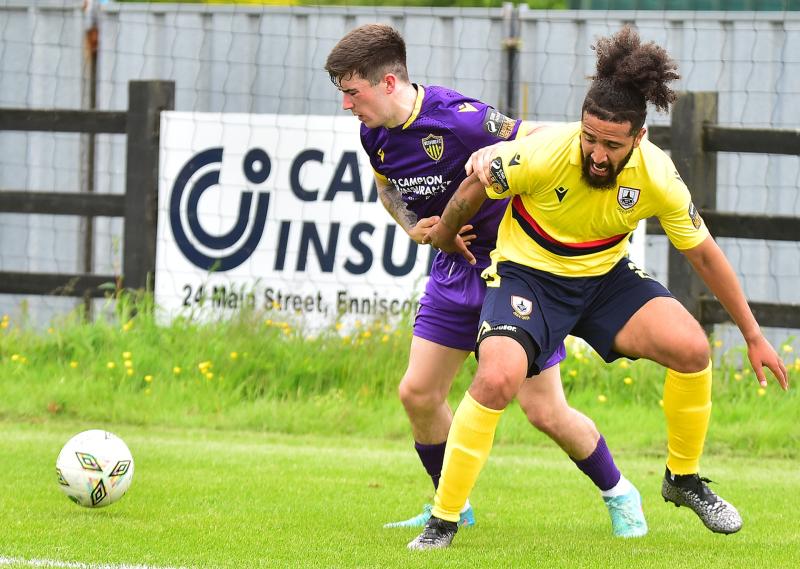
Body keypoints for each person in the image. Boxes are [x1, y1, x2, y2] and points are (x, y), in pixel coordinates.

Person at [410, 25, 790, 550]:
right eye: (589, 136)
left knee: (692, 348)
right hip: (529, 277)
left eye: (611, 144)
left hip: (603, 279)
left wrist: (751, 335)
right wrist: (446, 236)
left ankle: (683, 480)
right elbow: (474, 186)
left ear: (638, 139)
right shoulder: (542, 153)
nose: (595, 152)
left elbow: (703, 252)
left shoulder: (656, 174)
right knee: (497, 379)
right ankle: (444, 520)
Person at [325, 23, 648, 538]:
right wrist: (414, 227)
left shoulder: (462, 118)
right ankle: (450, 506)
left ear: (388, 83)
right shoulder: (373, 132)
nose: (346, 105)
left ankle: (620, 493)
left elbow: (547, 138)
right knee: (418, 393)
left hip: (515, 274)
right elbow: (387, 189)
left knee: (544, 410)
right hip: (452, 273)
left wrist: (493, 159)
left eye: (351, 92)